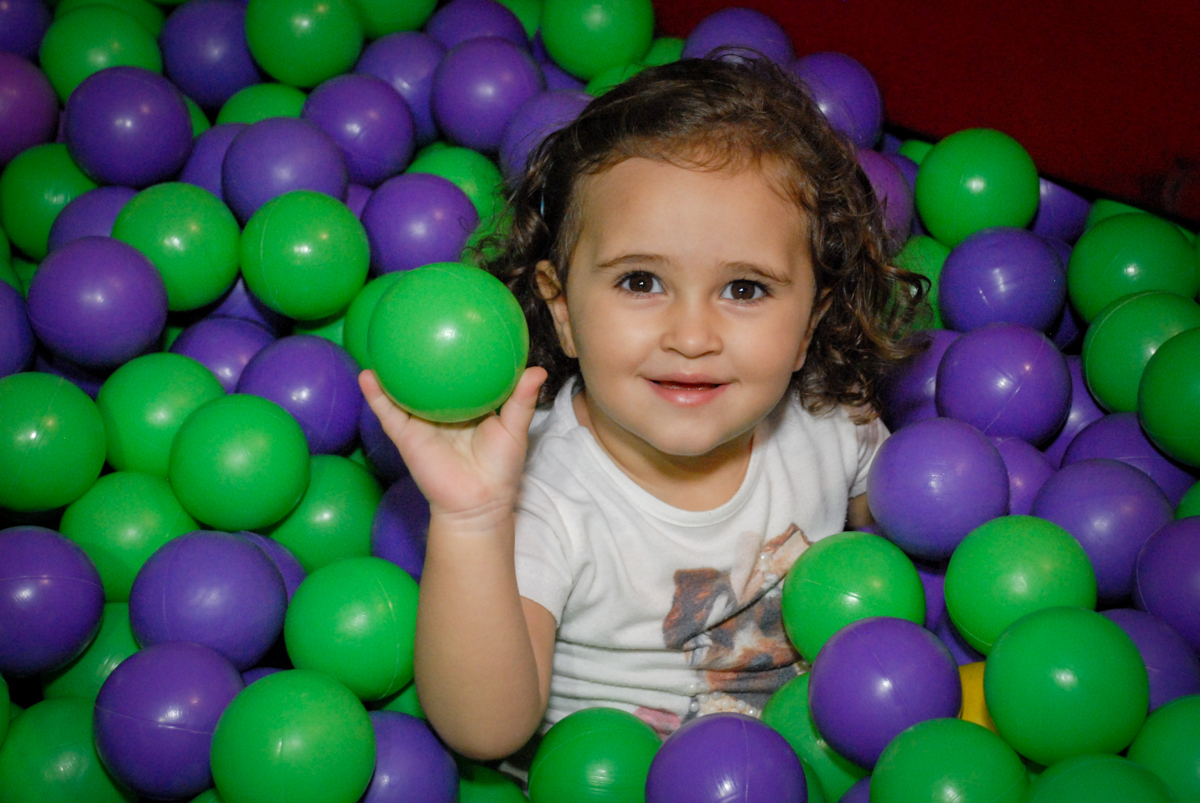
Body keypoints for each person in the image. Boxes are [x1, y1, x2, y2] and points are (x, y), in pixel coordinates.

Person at [360, 54, 926, 762]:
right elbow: (484, 730)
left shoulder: (833, 424)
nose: (691, 336)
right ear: (562, 310)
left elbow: (908, 573)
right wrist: (470, 518)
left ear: (810, 320)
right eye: (640, 280)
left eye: (745, 289)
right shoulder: (538, 490)